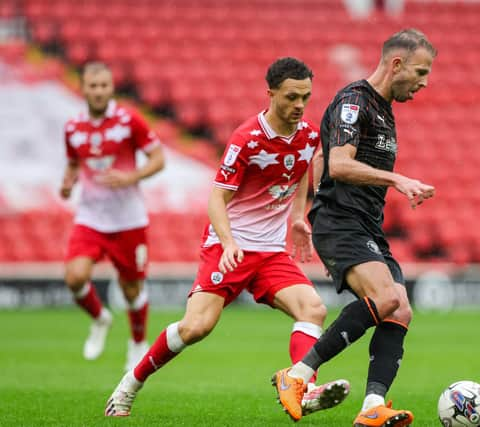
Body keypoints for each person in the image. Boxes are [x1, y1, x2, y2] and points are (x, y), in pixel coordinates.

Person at [105, 57, 349, 418]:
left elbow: (300, 171)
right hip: (228, 246)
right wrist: (229, 242)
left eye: (305, 97)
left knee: (313, 308)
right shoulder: (246, 139)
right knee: (196, 327)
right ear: (270, 94)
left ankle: (302, 387)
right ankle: (130, 384)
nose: (299, 105)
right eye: (291, 97)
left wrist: (298, 217)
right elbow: (216, 198)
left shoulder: (309, 135)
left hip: (269, 252)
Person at [272, 29, 437, 427]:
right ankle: (296, 376)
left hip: (367, 226)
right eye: (420, 71)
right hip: (340, 222)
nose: (424, 81)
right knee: (385, 298)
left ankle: (371, 408)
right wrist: (396, 179)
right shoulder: (354, 101)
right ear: (396, 64)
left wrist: (299, 211)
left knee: (400, 309)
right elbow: (339, 164)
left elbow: (316, 155)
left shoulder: (383, 110)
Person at [61, 62, 165, 370]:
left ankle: (137, 343)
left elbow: (158, 159)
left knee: (132, 289)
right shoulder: (73, 127)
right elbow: (72, 163)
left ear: (111, 88)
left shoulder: (129, 120)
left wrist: (131, 177)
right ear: (83, 88)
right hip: (90, 218)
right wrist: (67, 182)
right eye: (93, 86)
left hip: (128, 220)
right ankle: (100, 318)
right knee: (75, 277)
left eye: (104, 85)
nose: (98, 91)